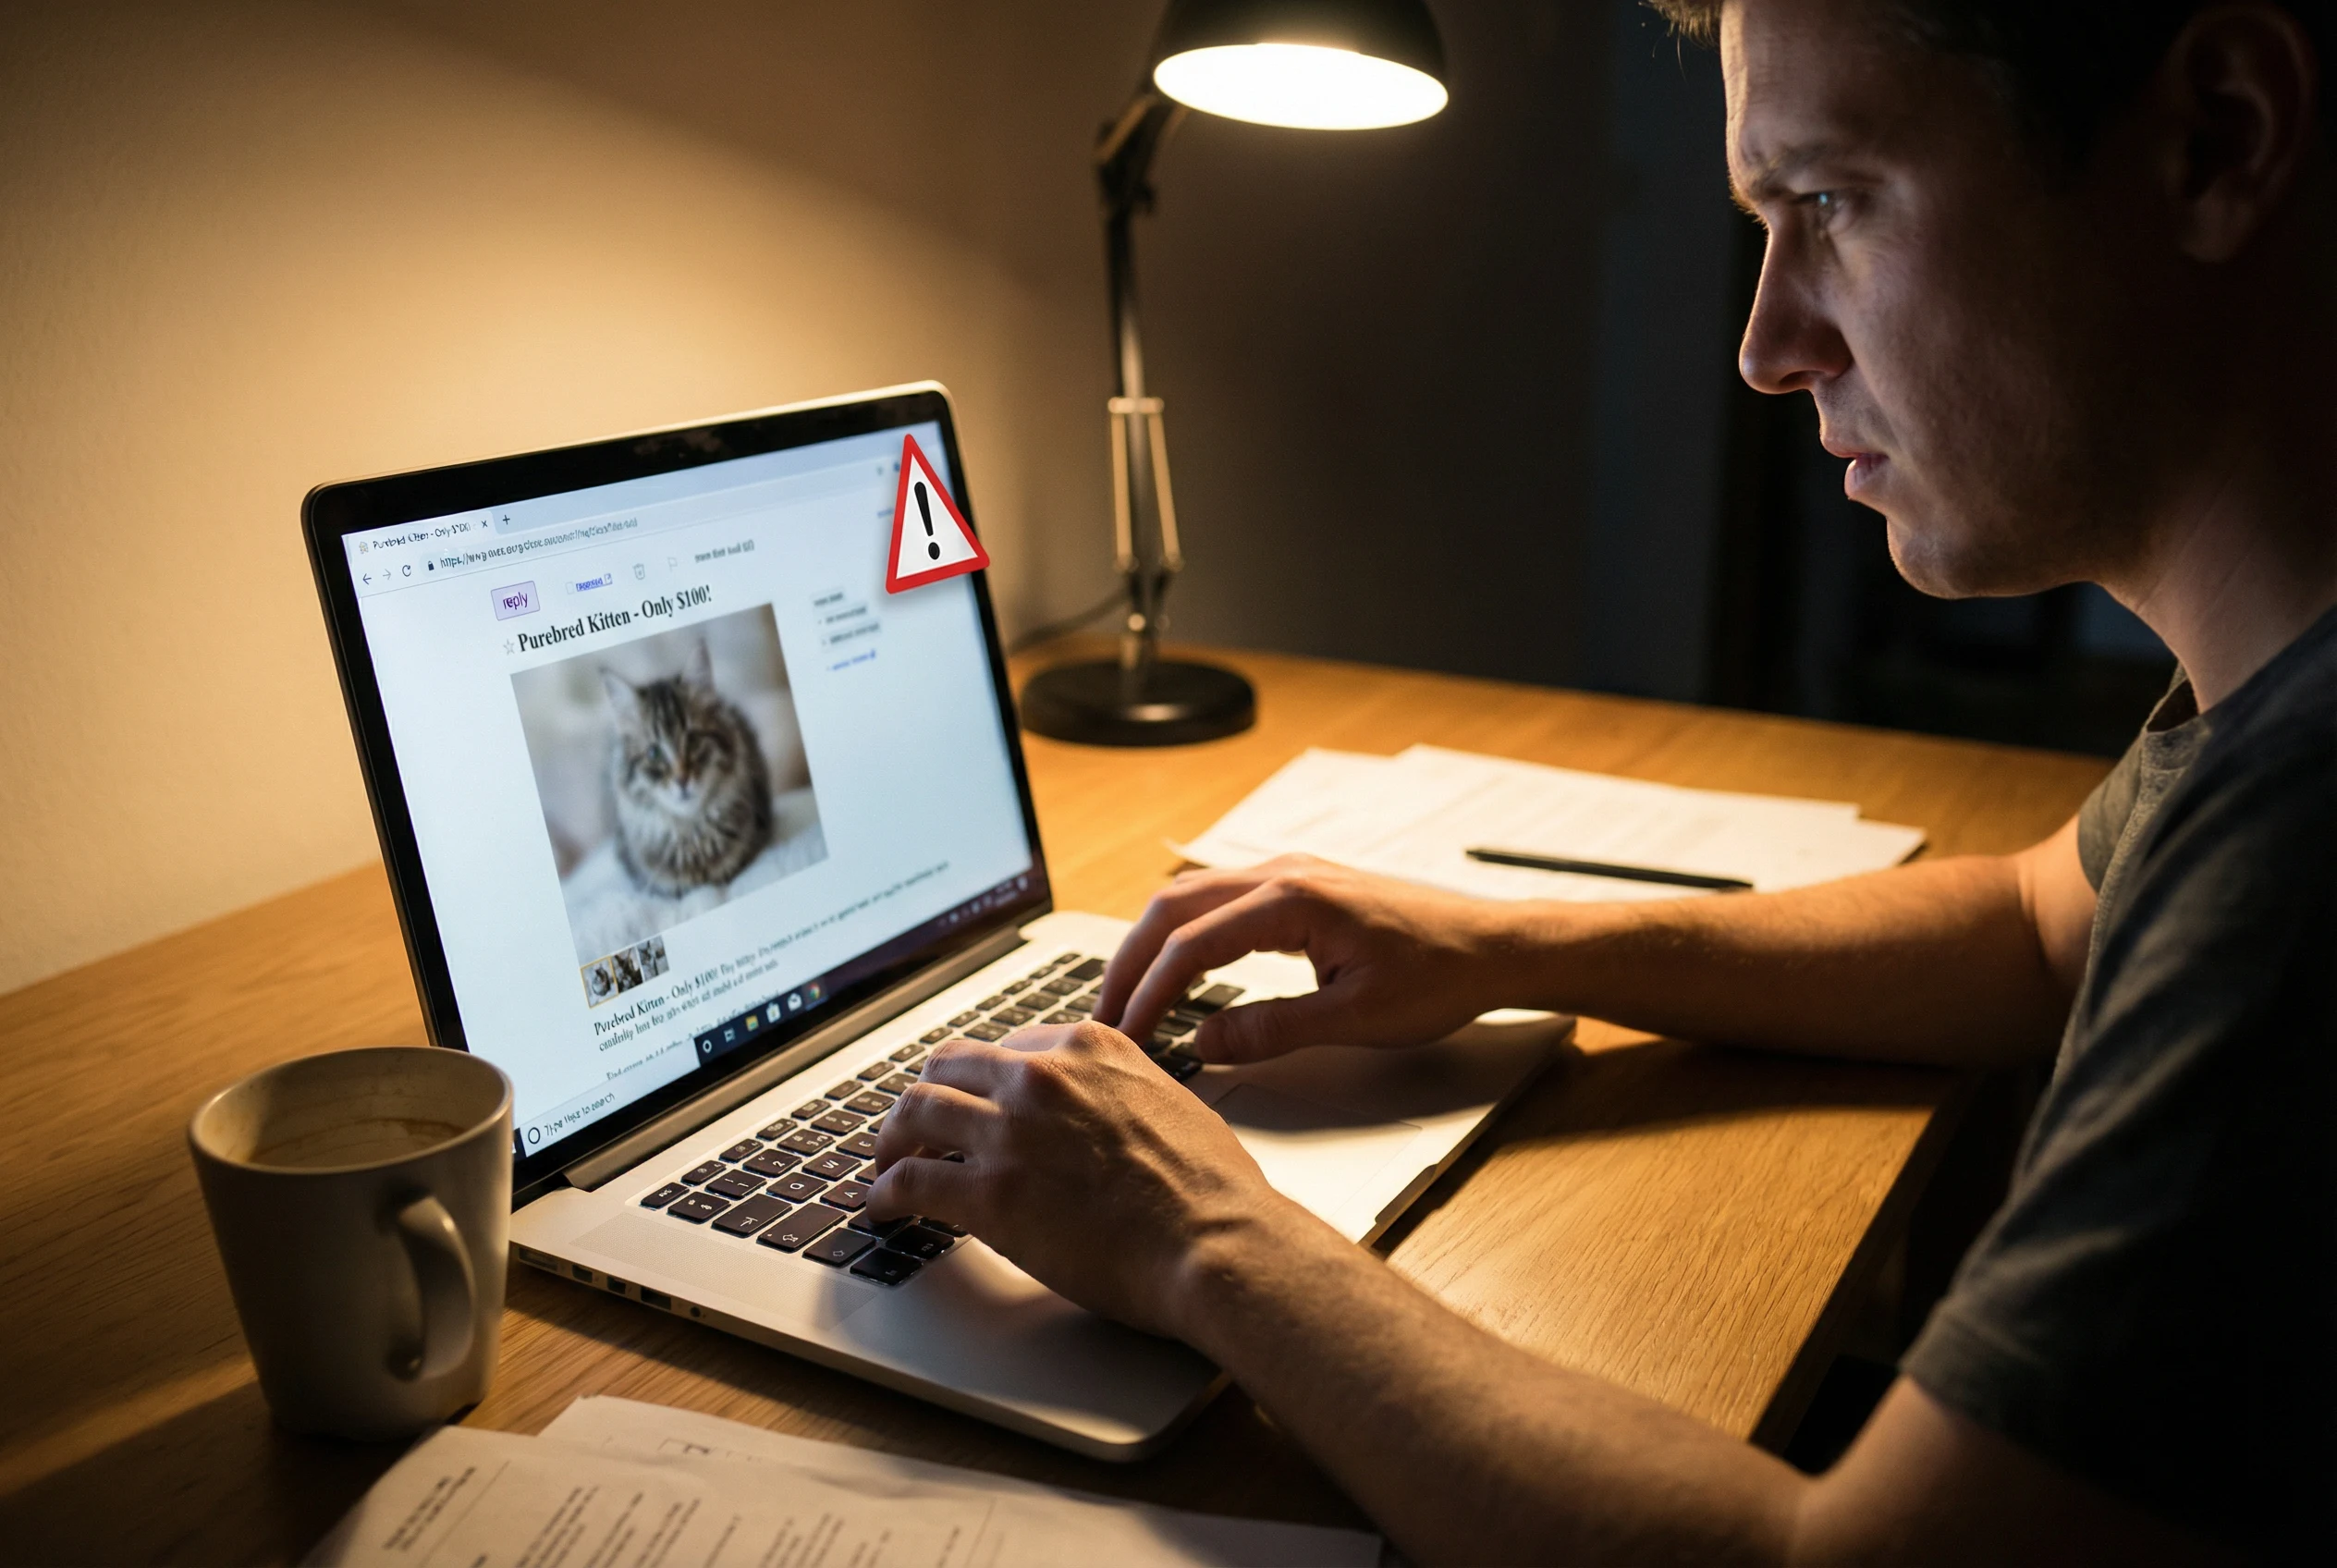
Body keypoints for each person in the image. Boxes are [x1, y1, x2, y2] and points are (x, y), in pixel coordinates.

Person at [869, 0, 2336, 1558]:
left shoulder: (2302, 842)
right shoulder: (2265, 680)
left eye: (1831, 201)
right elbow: (2046, 926)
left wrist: (1206, 1240)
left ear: (2216, 140)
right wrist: (1503, 944)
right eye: (1765, 224)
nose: (1768, 348)